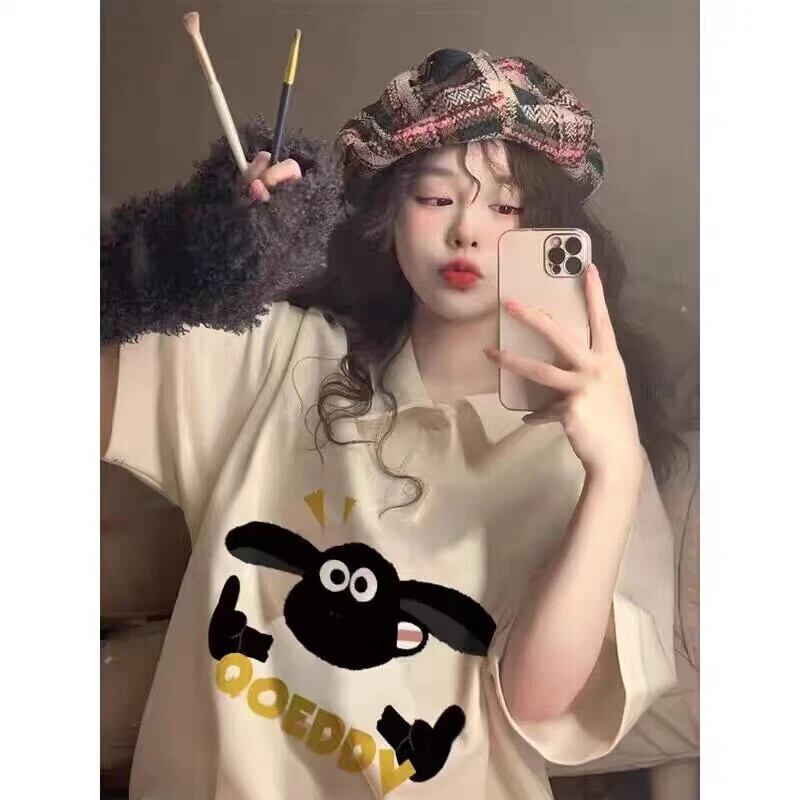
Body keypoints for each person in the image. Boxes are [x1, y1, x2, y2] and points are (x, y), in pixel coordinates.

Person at [101, 48, 681, 800]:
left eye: (507, 207)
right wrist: (197, 245)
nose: (467, 231)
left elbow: (539, 703)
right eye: (436, 198)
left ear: (553, 234)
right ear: (387, 214)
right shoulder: (280, 356)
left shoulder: (596, 450)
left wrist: (614, 474)